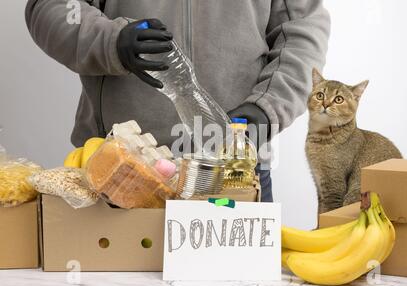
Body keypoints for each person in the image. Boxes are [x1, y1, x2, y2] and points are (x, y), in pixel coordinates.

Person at [25, 0, 330, 202]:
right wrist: (110, 40)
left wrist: (268, 106)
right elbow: (50, 7)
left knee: (236, 283)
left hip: (234, 169)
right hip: (117, 167)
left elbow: (302, 26)